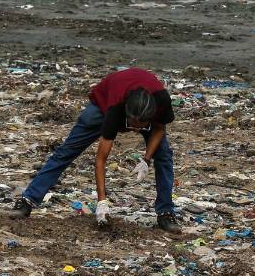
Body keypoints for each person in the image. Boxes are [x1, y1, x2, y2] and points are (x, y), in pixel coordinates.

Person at [9, 67, 181, 232]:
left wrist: (147, 159)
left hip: (143, 102)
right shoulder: (115, 110)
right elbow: (100, 160)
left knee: (164, 156)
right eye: (132, 126)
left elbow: (158, 129)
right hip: (104, 101)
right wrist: (102, 201)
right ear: (126, 115)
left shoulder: (162, 102)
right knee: (67, 150)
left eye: (141, 127)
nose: (135, 131)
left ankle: (166, 211)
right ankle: (28, 199)